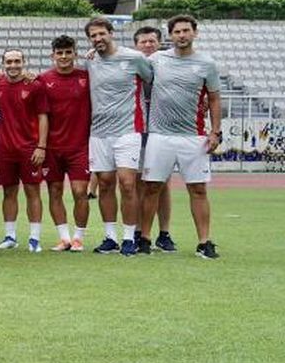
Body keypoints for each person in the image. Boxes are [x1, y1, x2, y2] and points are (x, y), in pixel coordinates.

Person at [141, 15, 222, 259]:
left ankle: (204, 242)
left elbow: (214, 98)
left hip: (193, 136)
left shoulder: (207, 63)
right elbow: (129, 66)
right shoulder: (156, 59)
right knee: (152, 187)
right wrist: (94, 54)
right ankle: (144, 238)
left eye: (186, 30)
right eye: (177, 32)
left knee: (198, 189)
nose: (182, 35)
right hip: (159, 135)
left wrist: (215, 131)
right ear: (170, 35)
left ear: (195, 33)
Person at [84, 17, 154, 255]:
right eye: (93, 36)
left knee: (127, 183)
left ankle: (129, 238)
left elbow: (152, 81)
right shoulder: (90, 60)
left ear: (111, 33)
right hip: (98, 132)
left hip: (128, 129)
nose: (98, 38)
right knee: (104, 184)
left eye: (101, 33)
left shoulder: (134, 58)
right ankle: (110, 237)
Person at [0, 49, 50, 252]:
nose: (13, 65)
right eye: (9, 62)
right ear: (3, 63)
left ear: (24, 62)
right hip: (5, 148)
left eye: (17, 61)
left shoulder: (35, 85)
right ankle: (10, 236)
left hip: (29, 148)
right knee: (8, 192)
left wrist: (41, 146)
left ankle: (34, 238)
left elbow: (43, 116)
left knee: (32, 191)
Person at [40, 35, 92, 252]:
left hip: (80, 146)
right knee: (54, 191)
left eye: (68, 52)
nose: (63, 56)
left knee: (80, 192)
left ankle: (78, 238)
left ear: (75, 54)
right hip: (52, 147)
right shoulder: (43, 79)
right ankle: (64, 238)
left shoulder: (86, 77)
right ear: (52, 55)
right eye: (59, 53)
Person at [134, 25, 176, 249]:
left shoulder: (169, 65)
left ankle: (164, 233)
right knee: (139, 184)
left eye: (152, 41)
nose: (148, 45)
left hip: (163, 130)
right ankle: (139, 232)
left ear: (159, 43)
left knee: (163, 184)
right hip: (138, 131)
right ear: (136, 45)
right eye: (143, 41)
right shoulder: (130, 64)